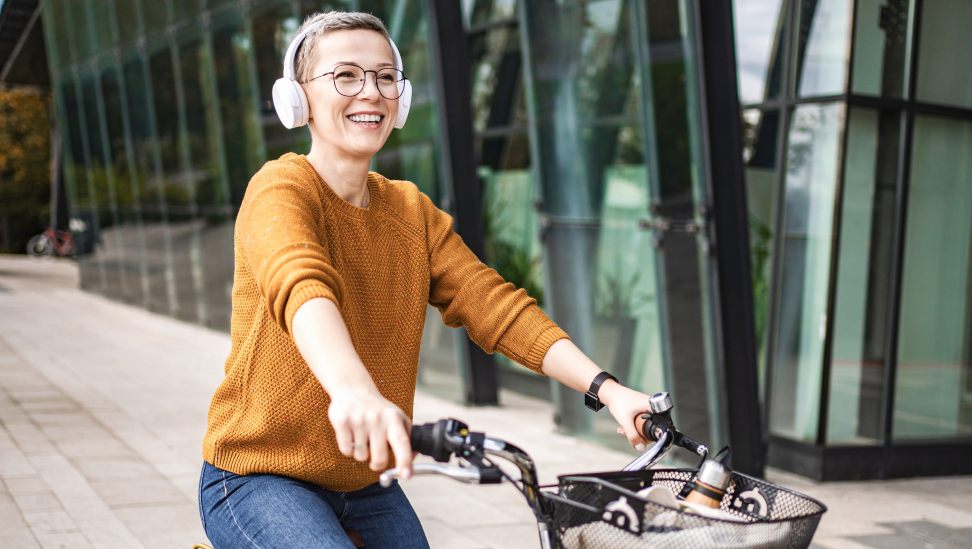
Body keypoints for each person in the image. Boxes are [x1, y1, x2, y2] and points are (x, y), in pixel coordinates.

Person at [198, 10, 659, 549]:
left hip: (366, 481)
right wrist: (354, 391)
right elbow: (299, 281)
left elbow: (493, 305)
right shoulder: (280, 188)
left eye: (385, 76)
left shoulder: (409, 211)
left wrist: (608, 390)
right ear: (297, 99)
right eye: (345, 76)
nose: (370, 92)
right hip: (257, 475)